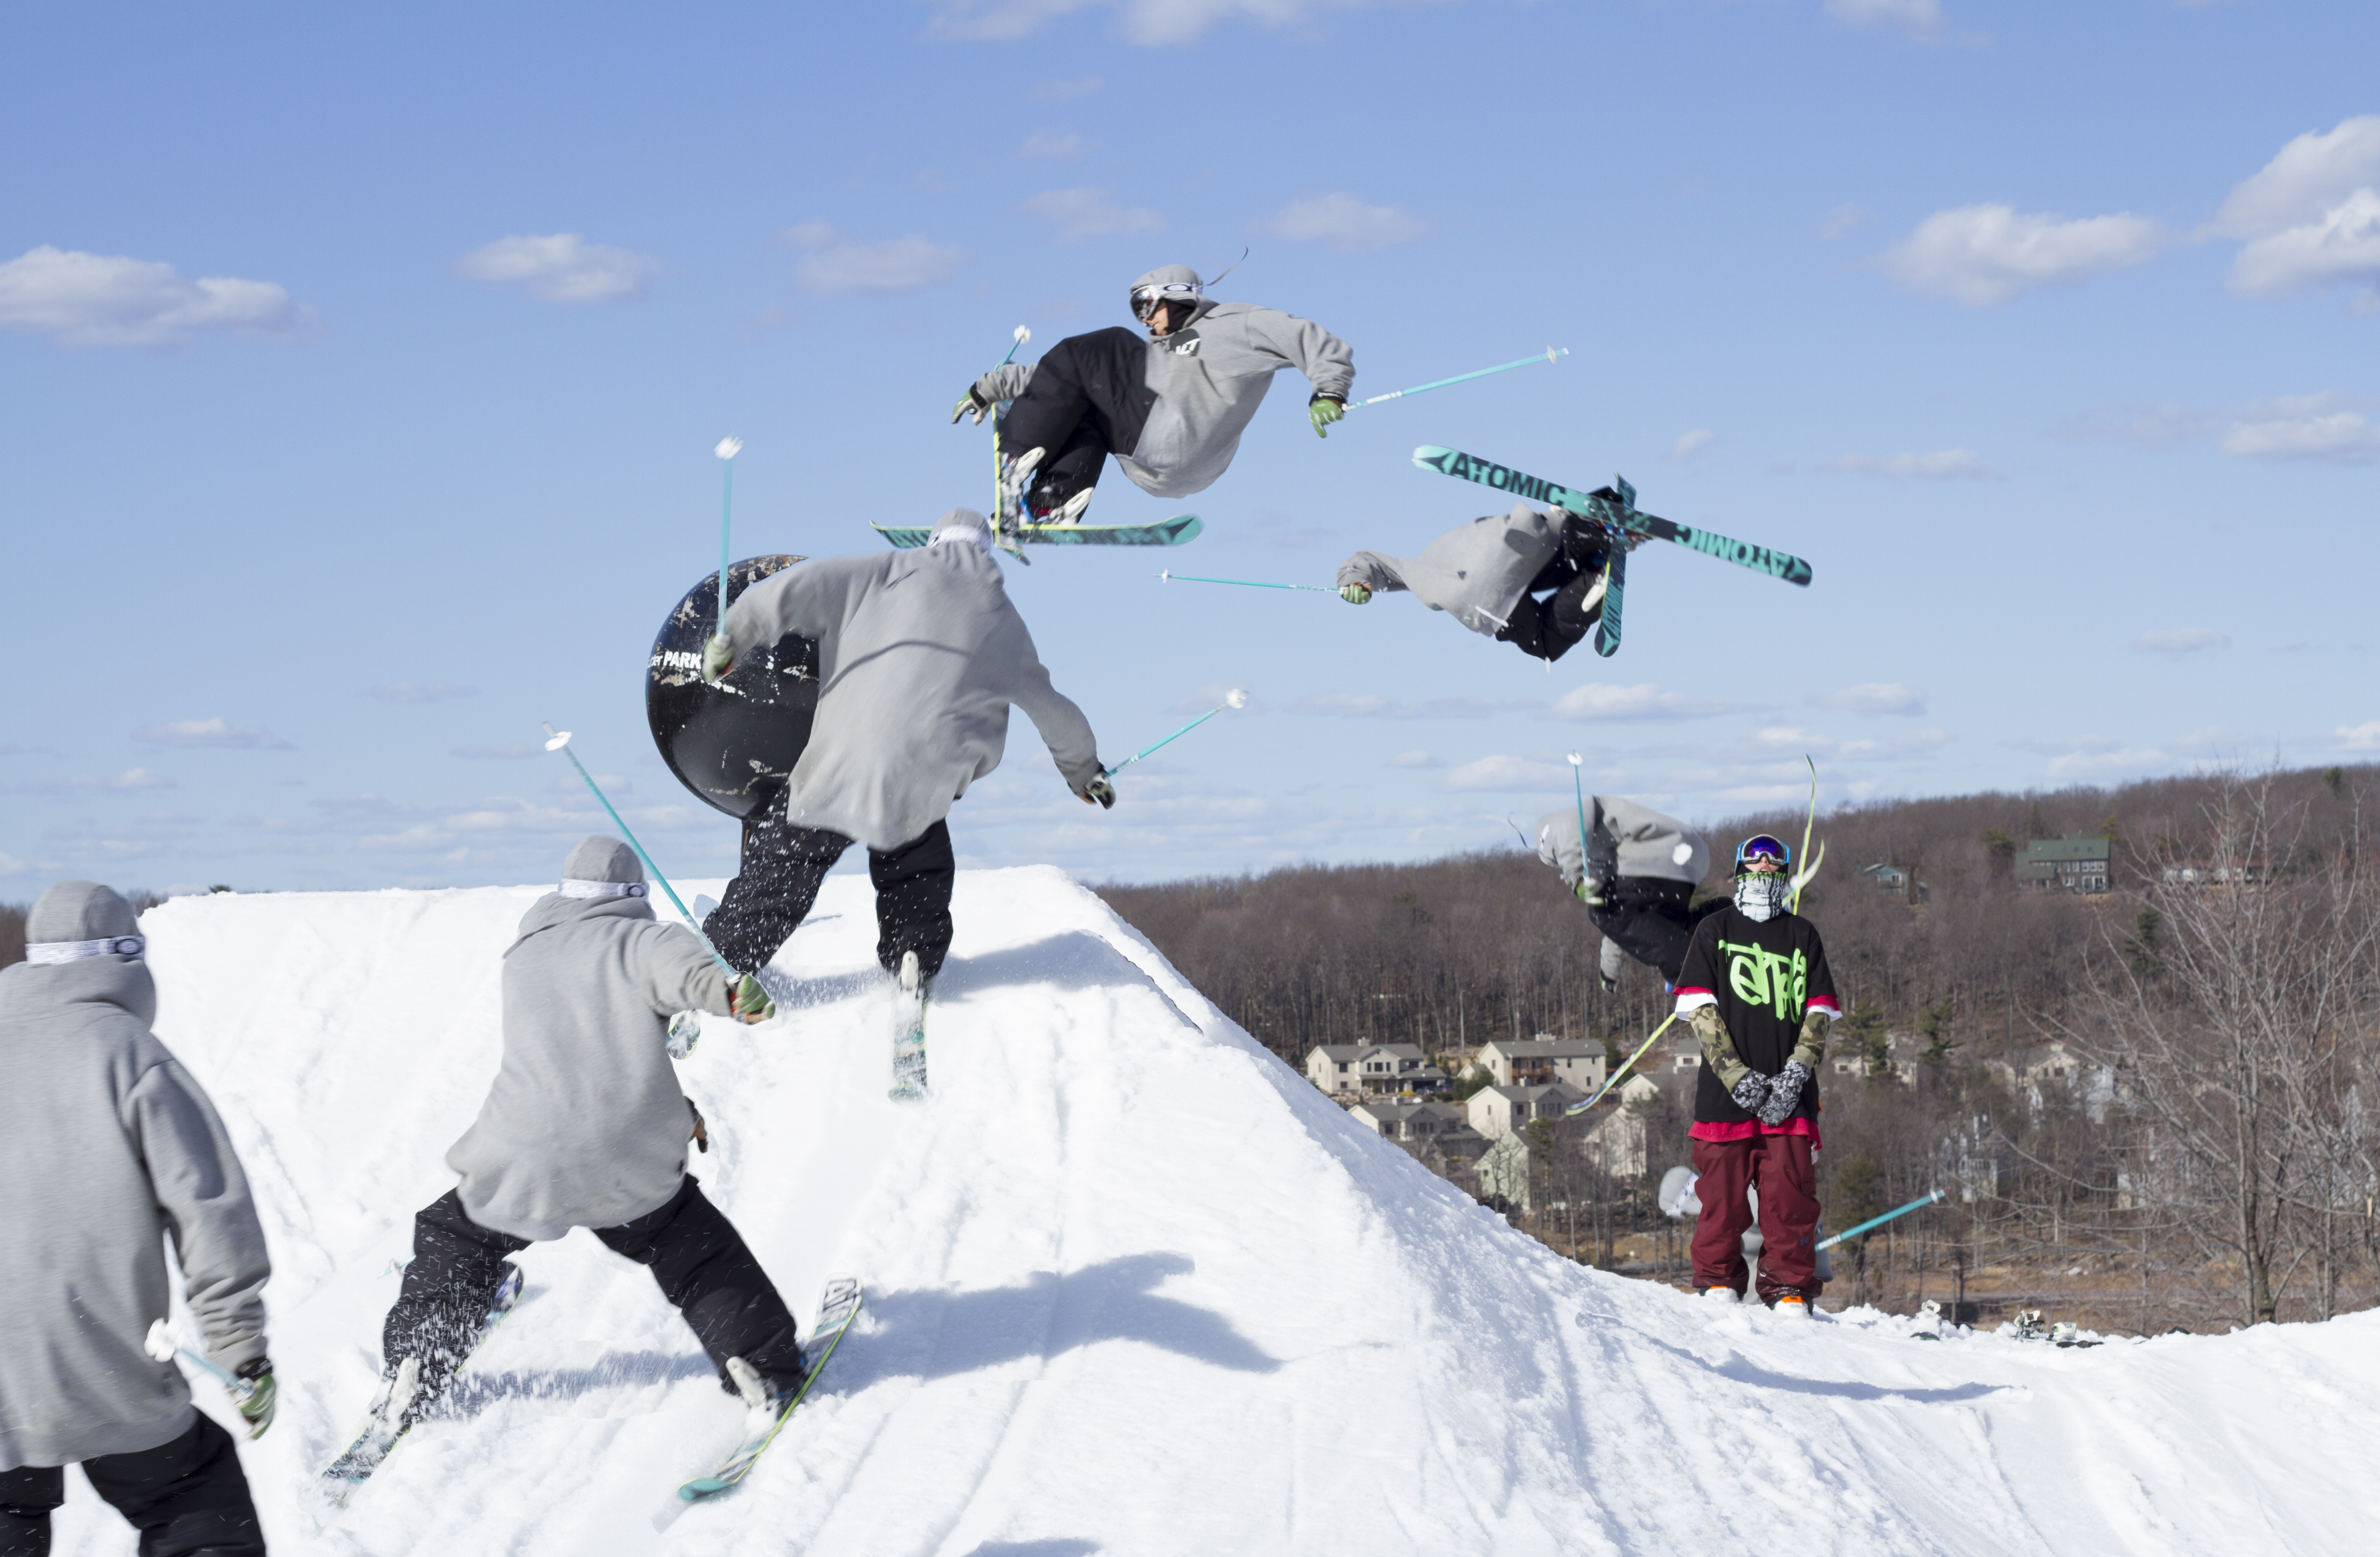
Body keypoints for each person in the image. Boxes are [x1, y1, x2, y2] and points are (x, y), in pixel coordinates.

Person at [352, 836, 796, 1463]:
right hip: (629, 1158)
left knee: (459, 1237)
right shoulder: (645, 939)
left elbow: (584, 1056)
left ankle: (416, 1361)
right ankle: (760, 1365)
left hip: (524, 1151)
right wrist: (727, 992)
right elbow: (689, 974)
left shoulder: (526, 954)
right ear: (634, 897)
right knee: (694, 1254)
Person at [699, 508, 1107, 990]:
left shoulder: (881, 573)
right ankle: (913, 954)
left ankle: (719, 963)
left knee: (784, 866)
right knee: (917, 868)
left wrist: (733, 637)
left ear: (934, 541)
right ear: (986, 552)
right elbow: (1054, 711)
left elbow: (790, 589)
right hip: (927, 780)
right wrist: (1085, 773)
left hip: (844, 762)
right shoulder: (1004, 621)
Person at [0, 881, 275, 1557]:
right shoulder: (131, 1055)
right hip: (102, 1370)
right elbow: (211, 1213)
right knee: (194, 1498)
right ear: (128, 959)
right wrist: (241, 1353)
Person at [951, 264, 1354, 525]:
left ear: (1179, 294)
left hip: (1179, 434)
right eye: (1136, 310)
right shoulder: (1153, 355)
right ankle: (1054, 499)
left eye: (1147, 305)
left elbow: (1308, 337)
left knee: (1101, 344)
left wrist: (1329, 391)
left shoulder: (1234, 323)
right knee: (1084, 399)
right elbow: (1057, 379)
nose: (1144, 318)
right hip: (1158, 464)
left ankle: (1016, 456)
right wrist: (989, 388)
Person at [1672, 835, 1841, 1315]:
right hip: (1726, 1096)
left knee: (1789, 1196)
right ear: (1740, 867)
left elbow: (1819, 1012)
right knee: (1721, 1198)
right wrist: (1735, 1075)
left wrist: (1792, 1077)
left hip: (1790, 1097)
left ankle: (1788, 1286)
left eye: (1774, 858)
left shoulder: (1802, 934)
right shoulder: (1714, 930)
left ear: (1785, 871)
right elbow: (1700, 1010)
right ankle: (1718, 1281)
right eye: (1755, 856)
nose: (1764, 863)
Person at [1337, 501, 1613, 663]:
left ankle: (1592, 584)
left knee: (1543, 642)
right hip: (1513, 539)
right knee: (1560, 552)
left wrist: (1354, 581)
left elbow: (1368, 561)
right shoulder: (1453, 541)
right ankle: (1590, 532)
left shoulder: (1423, 572)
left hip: (1478, 596)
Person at [1533, 795, 1719, 988]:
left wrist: (1576, 878)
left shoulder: (1553, 828)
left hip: (1658, 849)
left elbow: (1568, 825)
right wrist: (1610, 971)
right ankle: (1724, 925)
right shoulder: (1604, 857)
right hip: (1688, 859)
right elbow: (1621, 919)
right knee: (1664, 925)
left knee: (1605, 913)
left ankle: (1689, 970)